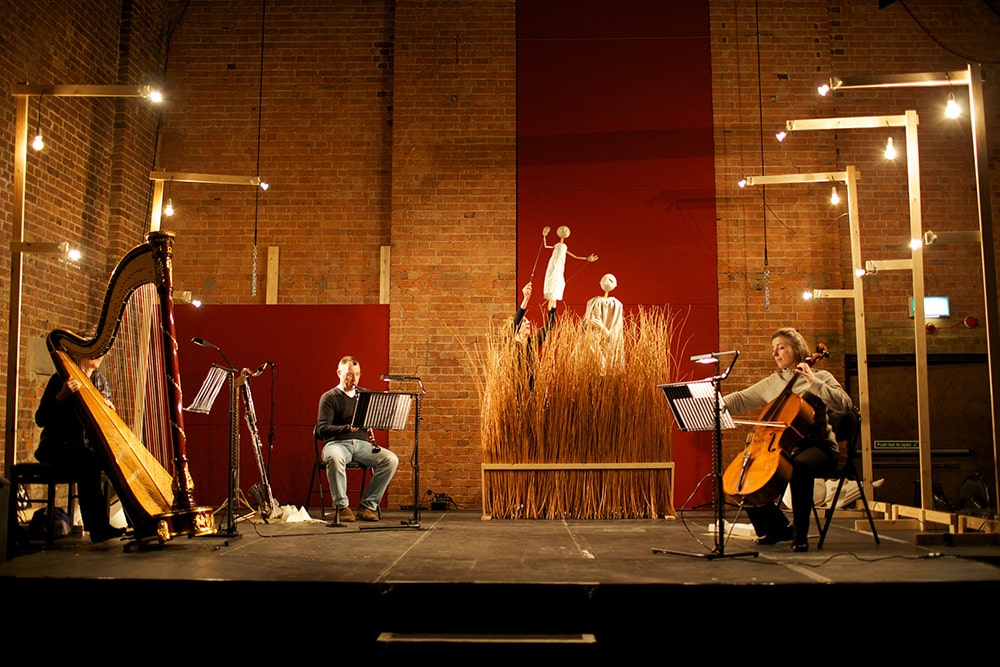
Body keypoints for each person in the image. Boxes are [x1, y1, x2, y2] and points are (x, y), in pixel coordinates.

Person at [723, 328, 852, 552]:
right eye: (773, 349)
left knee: (799, 467)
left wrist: (814, 382)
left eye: (781, 347)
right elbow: (742, 398)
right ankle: (776, 529)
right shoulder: (775, 381)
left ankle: (800, 535)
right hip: (785, 449)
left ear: (797, 349)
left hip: (819, 447)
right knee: (746, 472)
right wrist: (715, 402)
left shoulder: (820, 377)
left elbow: (844, 405)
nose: (775, 354)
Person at [34, 355, 125, 543]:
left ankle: (132, 522)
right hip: (56, 447)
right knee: (90, 462)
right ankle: (98, 528)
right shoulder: (60, 379)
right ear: (84, 351)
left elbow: (103, 426)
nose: (102, 356)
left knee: (112, 461)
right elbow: (40, 418)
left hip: (85, 450)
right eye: (98, 352)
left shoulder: (101, 383)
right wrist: (61, 396)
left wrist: (110, 412)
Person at [315, 356, 399, 523]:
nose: (354, 379)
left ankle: (367, 506)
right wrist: (347, 428)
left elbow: (374, 420)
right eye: (349, 374)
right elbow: (321, 429)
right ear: (339, 373)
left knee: (391, 460)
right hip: (336, 443)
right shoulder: (329, 397)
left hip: (361, 445)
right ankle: (342, 507)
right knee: (335, 458)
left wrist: (382, 420)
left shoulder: (365, 394)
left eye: (357, 374)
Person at [541, 225, 598, 302]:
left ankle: (553, 299)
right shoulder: (557, 245)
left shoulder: (564, 247)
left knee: (558, 280)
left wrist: (586, 259)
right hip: (554, 263)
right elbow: (546, 246)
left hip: (560, 265)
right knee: (552, 277)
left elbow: (575, 256)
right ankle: (550, 298)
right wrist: (544, 235)